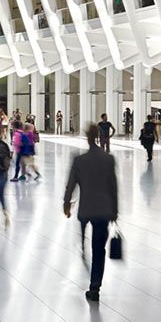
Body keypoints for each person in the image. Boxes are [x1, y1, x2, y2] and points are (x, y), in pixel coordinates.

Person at [63, 126, 120, 303]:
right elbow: (113, 187)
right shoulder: (108, 159)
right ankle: (95, 287)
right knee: (99, 249)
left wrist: (66, 203)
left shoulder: (79, 160)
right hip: (103, 210)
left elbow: (71, 184)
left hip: (86, 208)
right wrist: (115, 210)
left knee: (84, 225)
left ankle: (82, 242)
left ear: (88, 137)